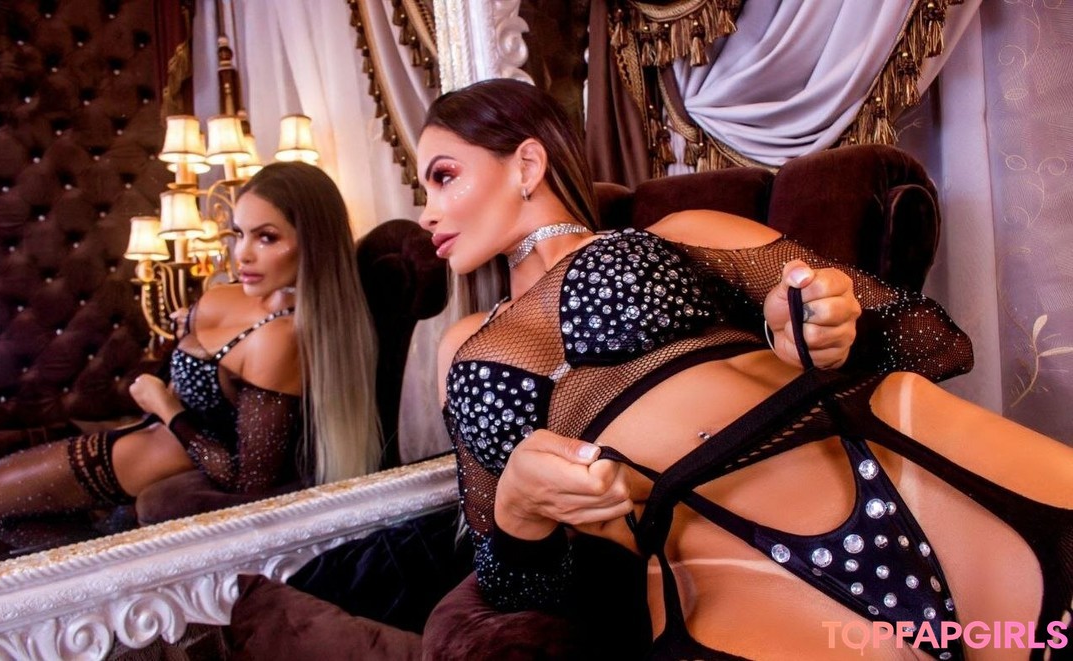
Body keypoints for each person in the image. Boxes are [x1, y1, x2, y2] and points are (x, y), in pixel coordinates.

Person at [417, 79, 1073, 659]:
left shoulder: (676, 232)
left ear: (527, 163)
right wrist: (517, 510)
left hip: (896, 454)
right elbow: (514, 587)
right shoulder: (462, 347)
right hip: (724, 572)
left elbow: (925, 339)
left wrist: (826, 325)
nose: (426, 212)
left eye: (443, 176)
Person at [0, 161, 381, 553]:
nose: (242, 254)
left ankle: (102, 568)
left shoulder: (281, 339)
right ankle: (100, 563)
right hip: (132, 441)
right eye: (239, 233)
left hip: (139, 463)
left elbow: (248, 481)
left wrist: (166, 407)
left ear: (313, 243)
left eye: (266, 238)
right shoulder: (232, 296)